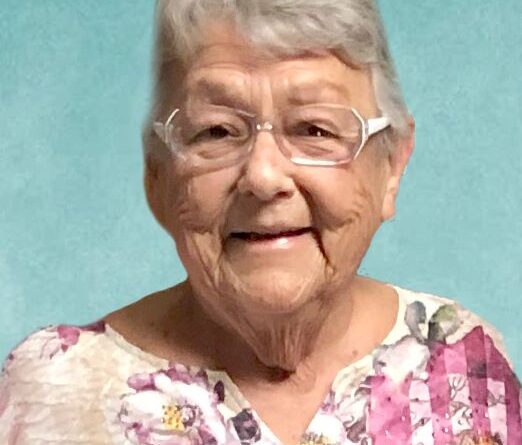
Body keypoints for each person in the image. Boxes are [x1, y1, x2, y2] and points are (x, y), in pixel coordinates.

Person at [1, 0, 520, 444]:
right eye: (216, 131)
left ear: (392, 166)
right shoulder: (54, 391)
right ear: (157, 177)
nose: (264, 176)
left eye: (314, 129)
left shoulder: (464, 367)